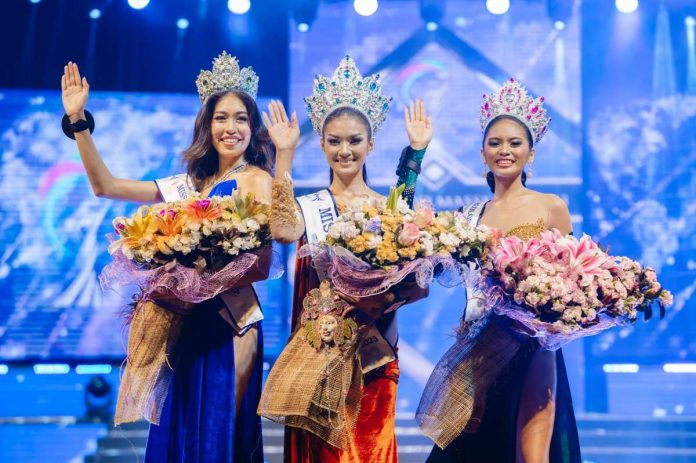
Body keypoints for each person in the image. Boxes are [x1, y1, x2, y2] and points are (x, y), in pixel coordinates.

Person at [60, 52, 274, 462]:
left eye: (241, 118)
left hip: (232, 323)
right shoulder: (188, 185)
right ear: (207, 126)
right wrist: (79, 124)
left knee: (220, 435)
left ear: (253, 127)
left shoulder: (257, 180)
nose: (231, 128)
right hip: (184, 324)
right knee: (179, 432)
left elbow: (261, 264)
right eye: (221, 118)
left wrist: (195, 283)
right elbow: (104, 187)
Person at [262, 56, 431, 463]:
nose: (344, 150)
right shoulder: (310, 207)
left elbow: (416, 280)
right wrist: (284, 153)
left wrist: (417, 152)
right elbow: (282, 231)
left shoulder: (388, 207)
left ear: (370, 145)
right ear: (320, 143)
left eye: (354, 140)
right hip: (318, 360)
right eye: (334, 140)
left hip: (373, 360)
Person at [418, 78, 582, 463]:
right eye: (495, 143)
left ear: (531, 153)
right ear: (482, 153)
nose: (504, 151)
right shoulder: (469, 217)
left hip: (532, 349)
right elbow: (425, 254)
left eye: (514, 143)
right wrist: (416, 153)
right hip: (479, 349)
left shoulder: (551, 206)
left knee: (529, 451)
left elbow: (574, 278)